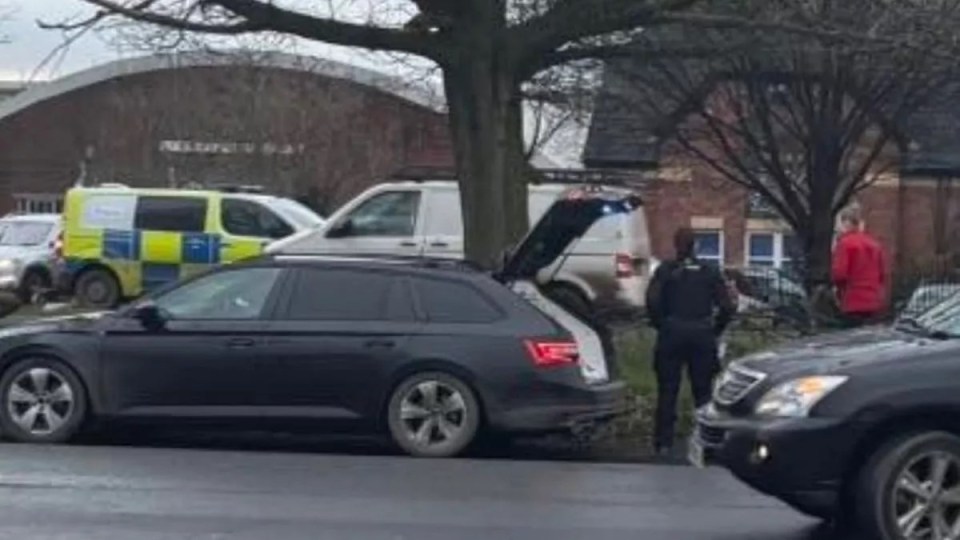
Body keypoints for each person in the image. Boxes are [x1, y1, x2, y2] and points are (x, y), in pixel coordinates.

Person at [645, 227, 735, 457]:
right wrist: (715, 329)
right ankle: (705, 443)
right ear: (696, 245)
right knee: (703, 392)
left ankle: (663, 442)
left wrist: (661, 325)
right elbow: (726, 306)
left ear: (676, 245)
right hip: (701, 333)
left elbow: (652, 301)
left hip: (672, 332)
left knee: (667, 390)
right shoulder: (709, 271)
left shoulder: (666, 270)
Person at [831, 204, 887, 327]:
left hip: (853, 301)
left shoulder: (845, 243)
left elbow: (839, 274)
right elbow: (882, 274)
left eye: (839, 223)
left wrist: (835, 288)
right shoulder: (875, 244)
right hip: (873, 301)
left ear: (846, 222)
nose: (837, 228)